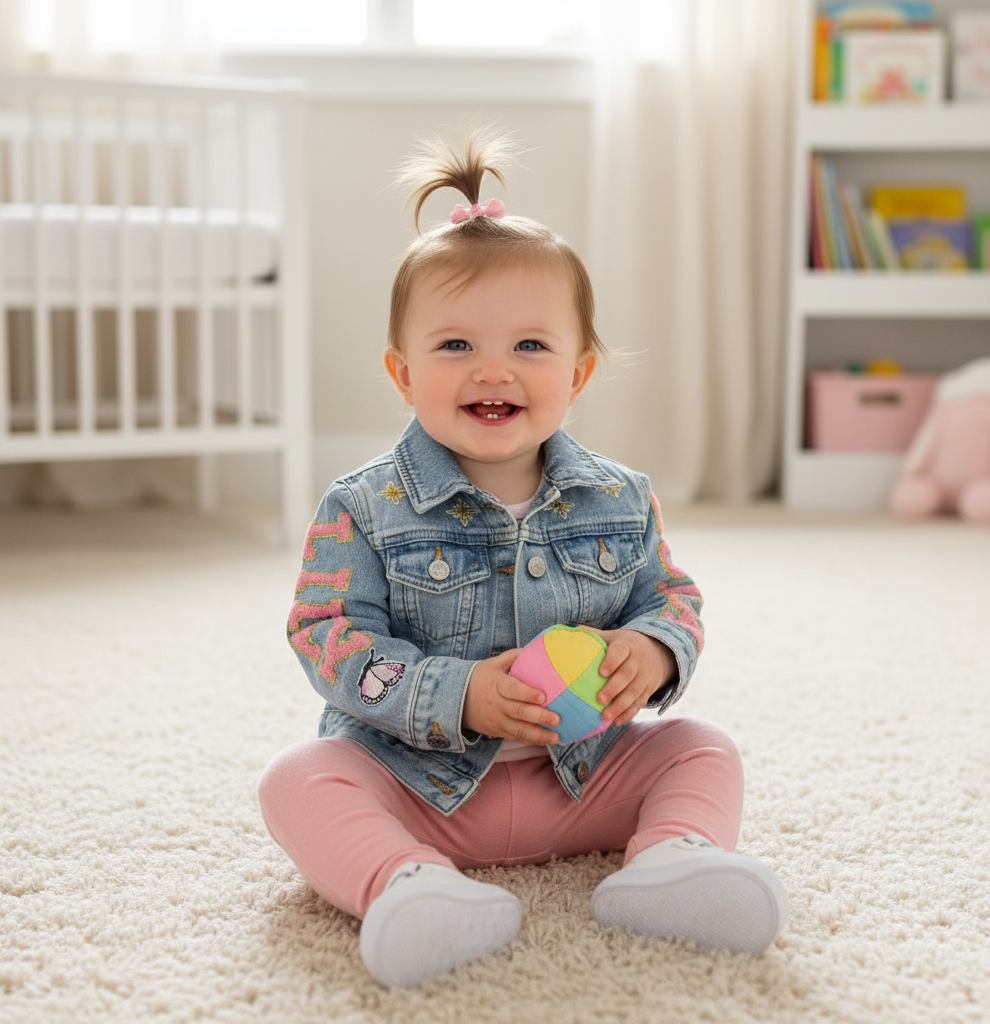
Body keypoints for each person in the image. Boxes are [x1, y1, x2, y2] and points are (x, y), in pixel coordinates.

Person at [258, 127, 786, 988]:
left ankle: (668, 863)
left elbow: (672, 598)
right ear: (402, 372)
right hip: (419, 782)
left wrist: (652, 652)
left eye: (530, 347)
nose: (493, 371)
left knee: (703, 747)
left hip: (577, 779)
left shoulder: (620, 496)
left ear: (578, 375)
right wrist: (456, 692)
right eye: (456, 346)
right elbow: (326, 636)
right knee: (298, 780)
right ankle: (406, 883)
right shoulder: (361, 506)